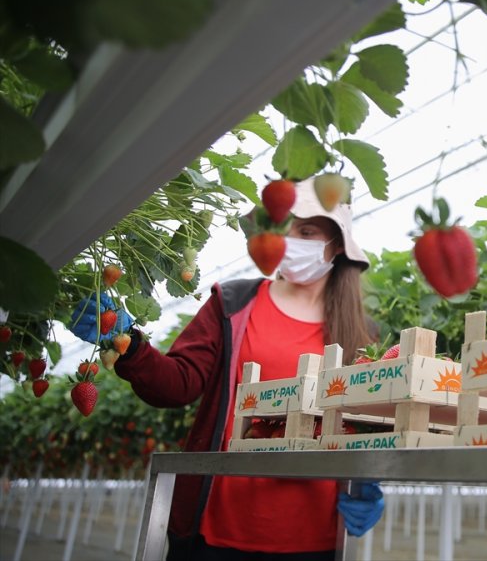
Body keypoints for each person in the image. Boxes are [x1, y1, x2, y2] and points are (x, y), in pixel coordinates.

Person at [70, 180, 385, 560]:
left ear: (337, 242)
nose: (290, 240)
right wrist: (128, 344)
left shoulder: (364, 333)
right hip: (216, 529)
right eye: (281, 228)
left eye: (306, 231)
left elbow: (365, 421)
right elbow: (178, 384)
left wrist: (367, 475)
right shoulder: (234, 303)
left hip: (314, 535)